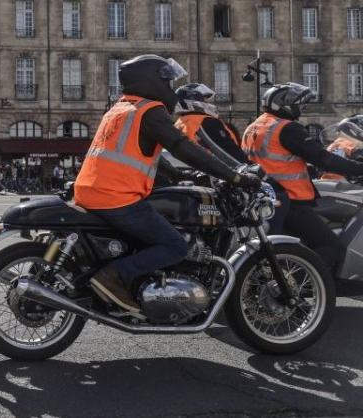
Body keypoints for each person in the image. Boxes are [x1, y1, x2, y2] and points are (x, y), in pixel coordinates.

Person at [75, 55, 262, 314]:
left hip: (91, 191)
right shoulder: (150, 111)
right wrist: (235, 177)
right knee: (175, 245)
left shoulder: (121, 108)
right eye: (166, 81)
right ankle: (114, 276)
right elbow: (181, 146)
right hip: (116, 197)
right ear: (151, 80)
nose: (170, 87)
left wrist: (176, 176)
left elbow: (144, 152)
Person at [242, 83, 363, 275]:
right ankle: (296, 286)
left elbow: (274, 160)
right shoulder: (287, 128)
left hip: (266, 199)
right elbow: (324, 158)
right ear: (287, 105)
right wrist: (359, 168)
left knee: (288, 249)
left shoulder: (254, 126)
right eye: (300, 105)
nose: (301, 109)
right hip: (292, 200)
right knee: (332, 247)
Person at [173, 83, 249, 164]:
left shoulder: (179, 122)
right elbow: (227, 149)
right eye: (204, 100)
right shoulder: (206, 121)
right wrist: (247, 165)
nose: (208, 103)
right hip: (215, 171)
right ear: (194, 101)